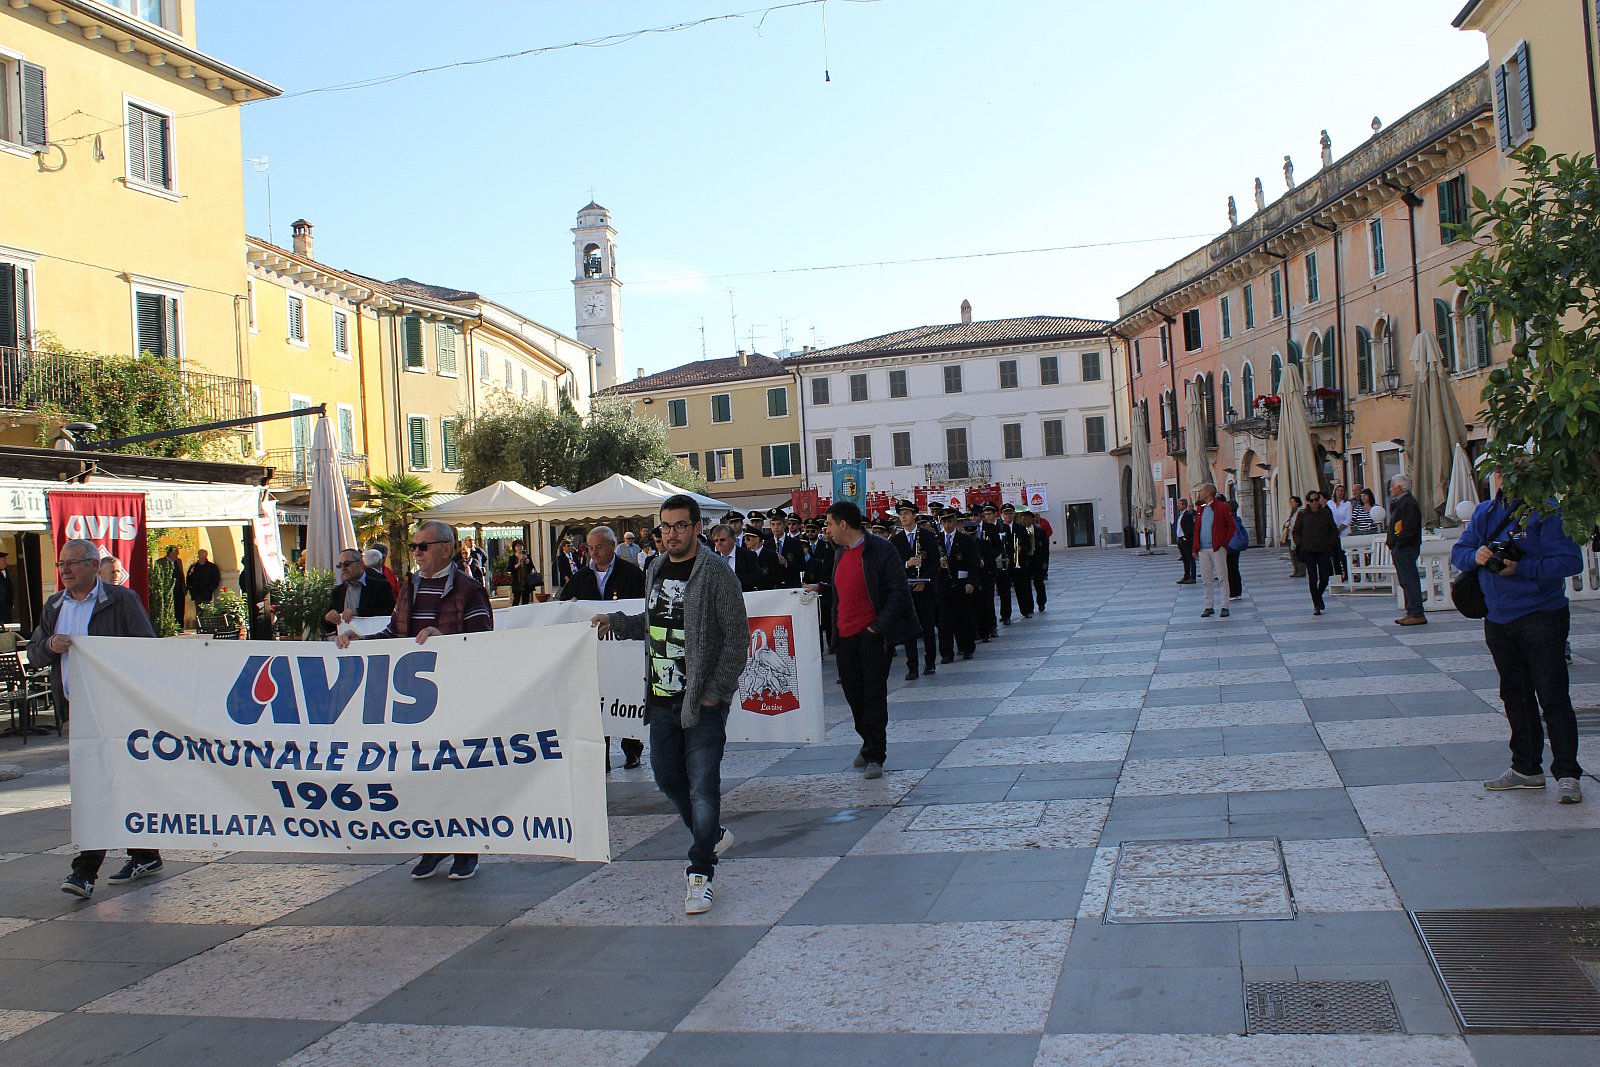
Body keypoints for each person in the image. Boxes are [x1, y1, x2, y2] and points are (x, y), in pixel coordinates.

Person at [592, 493, 748, 915]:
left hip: (702, 701)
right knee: (665, 776)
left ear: (697, 528)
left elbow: (737, 639)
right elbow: (655, 620)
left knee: (702, 786)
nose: (672, 533)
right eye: (665, 526)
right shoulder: (656, 568)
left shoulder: (716, 574)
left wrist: (715, 692)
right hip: (661, 697)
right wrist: (618, 623)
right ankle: (712, 836)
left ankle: (701, 872)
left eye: (680, 525)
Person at [336, 520, 492, 881]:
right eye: (414, 546)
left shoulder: (469, 589)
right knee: (424, 773)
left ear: (446, 549)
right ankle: (434, 842)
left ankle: (467, 848)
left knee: (457, 772)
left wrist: (444, 638)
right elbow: (396, 633)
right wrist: (363, 641)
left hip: (455, 697)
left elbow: (484, 643)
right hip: (416, 699)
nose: (417, 553)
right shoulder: (410, 586)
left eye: (423, 546)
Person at [34, 539, 159, 898]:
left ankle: (84, 871)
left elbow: (146, 648)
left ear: (93, 565)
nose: (65, 570)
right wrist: (49, 645)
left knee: (98, 788)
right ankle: (145, 854)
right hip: (77, 711)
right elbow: (35, 651)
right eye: (61, 564)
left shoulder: (120, 600)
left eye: (73, 563)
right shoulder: (54, 605)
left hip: (115, 710)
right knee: (109, 784)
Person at [1452, 491, 1585, 803]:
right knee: (1515, 695)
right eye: (1499, 468)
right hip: (1497, 619)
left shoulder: (1546, 510)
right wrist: (1476, 556)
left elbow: (1570, 561)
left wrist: (1521, 567)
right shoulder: (1485, 511)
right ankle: (1526, 768)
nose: (1504, 472)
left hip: (1541, 614)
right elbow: (1459, 552)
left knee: (1553, 696)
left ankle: (1567, 774)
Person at [807, 501, 916, 780]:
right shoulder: (839, 552)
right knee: (853, 695)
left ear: (843, 524)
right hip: (845, 638)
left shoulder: (880, 549)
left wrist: (877, 628)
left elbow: (899, 591)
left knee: (873, 696)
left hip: (872, 637)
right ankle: (867, 740)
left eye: (830, 524)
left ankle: (875, 754)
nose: (827, 530)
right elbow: (843, 591)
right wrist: (820, 588)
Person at [560, 526, 647, 770]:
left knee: (626, 694)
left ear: (612, 546)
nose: (594, 553)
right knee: (599, 701)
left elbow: (643, 607)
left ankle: (632, 749)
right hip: (595, 652)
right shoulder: (581, 577)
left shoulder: (631, 573)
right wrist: (571, 605)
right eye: (590, 548)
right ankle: (602, 755)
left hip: (625, 647)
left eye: (599, 547)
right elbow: (564, 604)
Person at [890, 500, 940, 680]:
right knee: (908, 630)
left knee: (927, 627)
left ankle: (930, 662)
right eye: (901, 514)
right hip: (906, 590)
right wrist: (907, 563)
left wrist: (924, 580)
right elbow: (892, 566)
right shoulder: (895, 540)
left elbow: (935, 563)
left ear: (914, 515)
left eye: (906, 513)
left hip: (924, 589)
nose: (903, 517)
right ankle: (912, 667)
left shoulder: (927, 536)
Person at [935, 509, 979, 661]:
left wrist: (971, 582)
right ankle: (946, 653)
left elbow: (973, 564)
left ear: (955, 522)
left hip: (961, 585)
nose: (947, 525)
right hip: (943, 586)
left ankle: (967, 648)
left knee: (964, 619)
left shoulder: (965, 540)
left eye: (950, 521)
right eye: (944, 522)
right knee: (944, 622)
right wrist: (938, 564)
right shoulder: (936, 540)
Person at [323, 548, 397, 633]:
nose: (343, 568)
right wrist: (327, 618)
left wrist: (358, 612)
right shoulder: (338, 591)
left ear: (361, 564)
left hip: (373, 638)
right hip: (344, 640)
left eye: (347, 564)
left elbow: (389, 612)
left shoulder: (381, 586)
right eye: (340, 565)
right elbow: (329, 628)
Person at [1191, 483, 1236, 619]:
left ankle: (1225, 606)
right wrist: (1195, 548)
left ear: (1208, 493)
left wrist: (1223, 543)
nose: (1200, 493)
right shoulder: (1201, 509)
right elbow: (1197, 530)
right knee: (1206, 579)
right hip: (1203, 549)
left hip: (1217, 548)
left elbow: (1231, 526)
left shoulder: (1222, 507)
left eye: (1202, 491)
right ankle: (1208, 606)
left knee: (1222, 577)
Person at [1292, 490, 1339, 616]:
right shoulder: (1302, 514)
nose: (1314, 503)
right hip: (1308, 550)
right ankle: (1316, 605)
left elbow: (1333, 530)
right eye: (1311, 500)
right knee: (1313, 577)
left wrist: (1330, 543)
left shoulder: (1326, 513)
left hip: (1323, 549)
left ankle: (1318, 596)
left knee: (1325, 577)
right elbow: (1296, 531)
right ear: (1308, 501)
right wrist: (1300, 543)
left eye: (1316, 500)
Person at [1387, 474, 1427, 626]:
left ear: (1399, 488)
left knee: (1410, 580)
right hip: (1402, 546)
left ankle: (1416, 612)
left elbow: (1409, 526)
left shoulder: (1408, 503)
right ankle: (1411, 611)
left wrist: (1399, 543)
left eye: (1393, 486)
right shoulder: (1401, 503)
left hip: (1406, 547)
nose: (1391, 489)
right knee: (1405, 580)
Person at [975, 503, 1008, 638]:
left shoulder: (989, 527)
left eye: (976, 515)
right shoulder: (967, 529)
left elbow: (998, 546)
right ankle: (978, 629)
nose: (973, 518)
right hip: (974, 570)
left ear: (981, 515)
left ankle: (991, 627)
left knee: (988, 600)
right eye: (971, 515)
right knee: (976, 601)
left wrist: (988, 558)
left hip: (987, 568)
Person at [1019, 510, 1049, 612]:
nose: (1024, 520)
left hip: (1037, 561)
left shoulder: (1040, 531)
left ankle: (1041, 602)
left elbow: (1045, 549)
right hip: (1025, 562)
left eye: (1026, 518)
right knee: (1026, 586)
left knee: (1039, 583)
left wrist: (1045, 562)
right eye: (1022, 518)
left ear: (1032, 519)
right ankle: (1029, 607)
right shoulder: (1019, 531)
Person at [774, 515, 808, 589]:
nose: (776, 527)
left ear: (784, 525)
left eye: (779, 524)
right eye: (773, 524)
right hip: (774, 586)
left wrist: (787, 563)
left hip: (791, 585)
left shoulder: (795, 543)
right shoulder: (767, 544)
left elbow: (802, 566)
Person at [185, 549, 222, 615]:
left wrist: (209, 589)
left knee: (207, 612)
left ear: (205, 556)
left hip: (206, 593)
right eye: (199, 555)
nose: (199, 557)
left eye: (201, 555)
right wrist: (191, 588)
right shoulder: (194, 566)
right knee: (198, 612)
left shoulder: (211, 567)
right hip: (196, 593)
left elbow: (215, 579)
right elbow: (189, 578)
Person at [1328, 484, 1353, 580]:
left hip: (1344, 532)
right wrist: (1333, 530)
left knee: (1343, 555)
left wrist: (1339, 529)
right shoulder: (1330, 503)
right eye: (1338, 490)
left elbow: (1348, 519)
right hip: (1332, 533)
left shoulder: (1347, 504)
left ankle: (1347, 574)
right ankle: (1338, 575)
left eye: (1342, 491)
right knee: (1335, 556)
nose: (1340, 492)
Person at [1225, 498, 1247, 601]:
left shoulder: (1229, 519)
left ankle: (1232, 593)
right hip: (1236, 546)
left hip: (1229, 547)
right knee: (1235, 568)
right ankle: (1237, 592)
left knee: (1229, 569)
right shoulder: (1237, 518)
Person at [161, 546, 186, 629]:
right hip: (168, 590)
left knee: (180, 608)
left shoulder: (178, 561)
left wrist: (184, 587)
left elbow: (181, 575)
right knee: (170, 608)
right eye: (176, 552)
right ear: (170, 553)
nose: (178, 553)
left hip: (179, 589)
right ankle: (170, 626)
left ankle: (180, 626)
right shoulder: (161, 562)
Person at [1282, 495, 1306, 577]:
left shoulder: (1301, 512)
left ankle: (1301, 571)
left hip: (1297, 536)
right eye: (1290, 502)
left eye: (1292, 502)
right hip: (1289, 535)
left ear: (1297, 502)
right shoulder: (1290, 511)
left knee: (1298, 553)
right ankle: (1295, 570)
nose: (1291, 503)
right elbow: (1286, 521)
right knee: (1292, 554)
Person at [1175, 498, 1197, 584]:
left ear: (1184, 505)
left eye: (1180, 504)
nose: (1178, 505)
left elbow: (1189, 528)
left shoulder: (1188, 515)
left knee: (1190, 558)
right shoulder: (1180, 515)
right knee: (1184, 559)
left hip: (1186, 540)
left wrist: (1185, 538)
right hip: (1180, 539)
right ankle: (1186, 576)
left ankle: (1192, 576)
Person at [0, 547, 12, 626]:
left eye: (6, 559)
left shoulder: (6, 572)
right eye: (3, 559)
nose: (5, 561)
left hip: (7, 608)